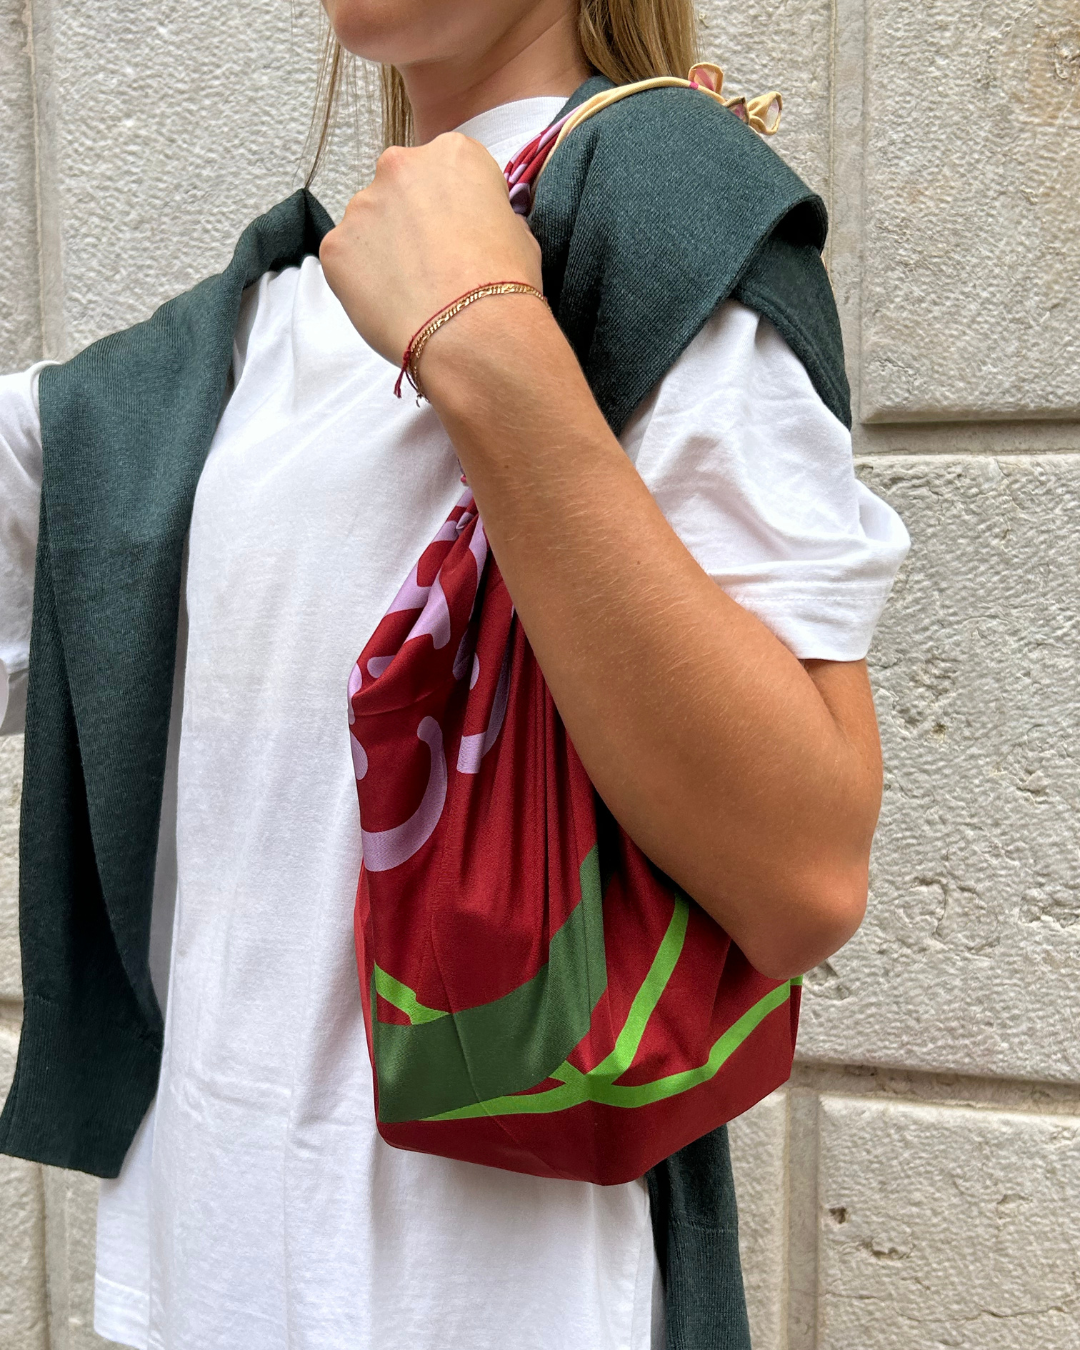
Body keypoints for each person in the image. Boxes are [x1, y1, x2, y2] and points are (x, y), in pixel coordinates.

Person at [0, 0, 909, 1346]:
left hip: (505, 1300)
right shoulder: (237, 342)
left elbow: (805, 871)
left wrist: (481, 336)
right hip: (208, 1275)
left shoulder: (654, 215)